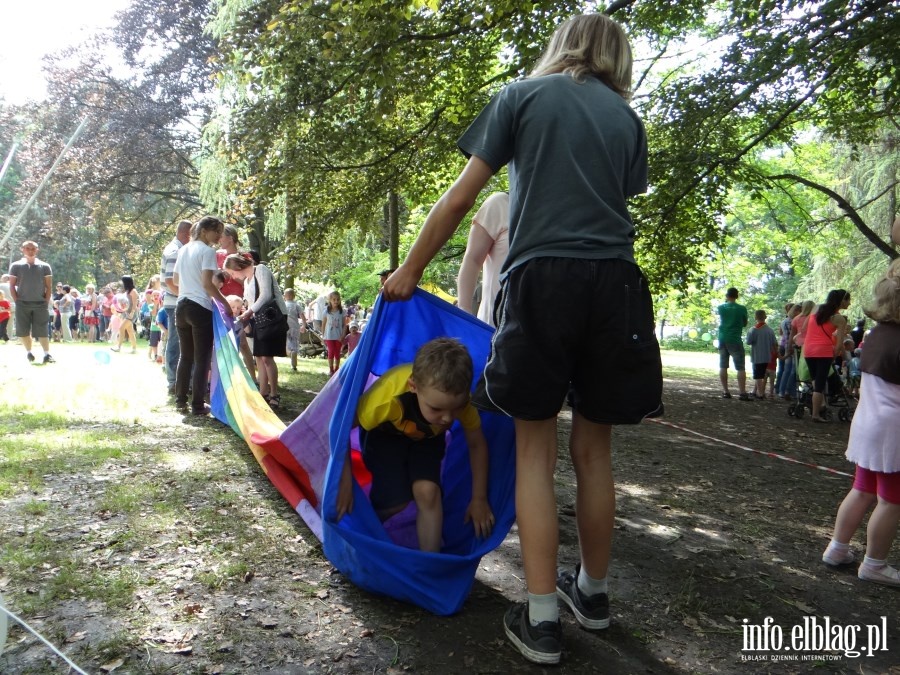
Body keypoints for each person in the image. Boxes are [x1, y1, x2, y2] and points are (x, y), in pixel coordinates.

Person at [378, 14, 662, 664]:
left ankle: (540, 618)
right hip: (617, 287)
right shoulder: (628, 121)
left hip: (543, 282)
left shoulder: (521, 97)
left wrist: (410, 269)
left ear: (560, 47)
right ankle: (591, 593)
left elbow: (458, 199)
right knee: (595, 452)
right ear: (616, 57)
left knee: (534, 452)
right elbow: (613, 202)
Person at [336, 337, 494, 553]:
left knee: (428, 491)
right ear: (413, 387)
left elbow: (477, 445)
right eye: (436, 409)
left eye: (455, 409)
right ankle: (367, 544)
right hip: (385, 435)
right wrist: (344, 482)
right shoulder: (388, 397)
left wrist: (479, 499)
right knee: (393, 503)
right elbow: (339, 428)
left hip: (427, 439)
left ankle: (429, 561)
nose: (448, 418)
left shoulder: (461, 399)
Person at [822, 260, 900, 586]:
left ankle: (837, 549)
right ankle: (875, 563)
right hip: (892, 431)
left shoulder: (877, 335)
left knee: (862, 490)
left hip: (868, 423)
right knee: (892, 500)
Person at [173, 216, 233, 415]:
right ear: (205, 230)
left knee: (186, 356)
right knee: (202, 359)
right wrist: (225, 304)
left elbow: (174, 279)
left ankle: (180, 400)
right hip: (199, 308)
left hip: (181, 306)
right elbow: (208, 285)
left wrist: (188, 290)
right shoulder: (207, 252)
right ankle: (198, 405)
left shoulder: (183, 250)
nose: (219, 236)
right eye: (217, 231)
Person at [223, 252, 288, 409]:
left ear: (238, 267)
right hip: (258, 321)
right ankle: (263, 392)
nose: (233, 276)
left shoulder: (261, 270)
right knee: (259, 357)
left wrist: (248, 312)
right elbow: (251, 301)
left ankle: (274, 394)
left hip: (271, 320)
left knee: (267, 357)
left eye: (232, 272)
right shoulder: (247, 281)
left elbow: (266, 295)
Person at [457, 191, 510, 326]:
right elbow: (472, 259)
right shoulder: (501, 203)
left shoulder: (563, 213)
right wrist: (464, 310)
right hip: (492, 330)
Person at [217, 223, 257, 382]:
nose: (219, 239)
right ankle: (227, 377)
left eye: (222, 236)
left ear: (230, 238)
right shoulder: (217, 255)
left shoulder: (245, 256)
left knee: (242, 342)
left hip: (239, 303)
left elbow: (250, 281)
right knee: (224, 340)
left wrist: (233, 276)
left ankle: (252, 378)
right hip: (222, 301)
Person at [804, 289, 850, 423]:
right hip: (823, 351)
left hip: (809, 350)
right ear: (842, 301)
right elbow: (839, 343)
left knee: (814, 379)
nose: (850, 303)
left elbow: (806, 327)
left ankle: (819, 407)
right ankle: (816, 414)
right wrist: (835, 355)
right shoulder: (839, 319)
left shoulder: (816, 308)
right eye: (848, 300)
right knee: (820, 384)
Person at [7, 240, 54, 364]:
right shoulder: (16, 266)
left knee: (42, 330)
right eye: (28, 248)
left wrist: (45, 302)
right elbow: (12, 286)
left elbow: (49, 286)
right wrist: (17, 300)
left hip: (40, 304)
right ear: (22, 249)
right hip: (22, 303)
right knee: (23, 330)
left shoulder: (45, 266)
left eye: (33, 249)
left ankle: (47, 355)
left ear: (37, 250)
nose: (31, 251)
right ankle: (29, 352)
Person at [161, 219, 193, 395]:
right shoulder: (175, 251)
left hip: (177, 302)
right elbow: (169, 282)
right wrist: (187, 295)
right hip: (175, 303)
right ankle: (173, 382)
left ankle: (180, 381)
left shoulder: (178, 249)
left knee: (181, 344)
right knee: (175, 343)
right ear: (186, 234)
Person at [717, 287, 750, 400]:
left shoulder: (721, 308)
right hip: (735, 339)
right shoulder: (741, 309)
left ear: (727, 296)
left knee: (723, 365)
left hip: (722, 338)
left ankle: (726, 391)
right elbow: (745, 323)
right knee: (740, 367)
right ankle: (742, 392)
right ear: (737, 296)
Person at [746, 309, 777, 400]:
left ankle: (760, 393)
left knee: (758, 375)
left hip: (757, 356)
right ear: (765, 317)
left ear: (755, 317)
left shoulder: (753, 330)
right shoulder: (770, 330)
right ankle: (757, 391)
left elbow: (748, 342)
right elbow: (774, 343)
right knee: (761, 374)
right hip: (767, 356)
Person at [111, 275, 140, 354]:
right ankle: (134, 348)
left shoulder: (133, 291)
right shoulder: (127, 291)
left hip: (132, 313)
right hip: (126, 312)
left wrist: (131, 314)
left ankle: (118, 347)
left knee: (121, 328)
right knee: (130, 331)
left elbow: (134, 304)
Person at [321, 291, 347, 376]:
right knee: (331, 351)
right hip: (329, 336)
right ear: (330, 300)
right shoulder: (326, 311)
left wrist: (343, 335)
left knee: (337, 353)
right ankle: (331, 369)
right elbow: (323, 324)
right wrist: (323, 336)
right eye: (334, 299)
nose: (336, 301)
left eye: (338, 299)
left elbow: (344, 325)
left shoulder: (342, 312)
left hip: (338, 336)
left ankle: (337, 369)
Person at [283, 288, 305, 371]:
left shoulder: (283, 305)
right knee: (294, 344)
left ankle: (289, 353)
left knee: (287, 343)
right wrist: (304, 325)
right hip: (295, 327)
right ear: (294, 296)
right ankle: (293, 365)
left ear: (284, 296)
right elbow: (302, 316)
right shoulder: (296, 305)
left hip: (285, 327)